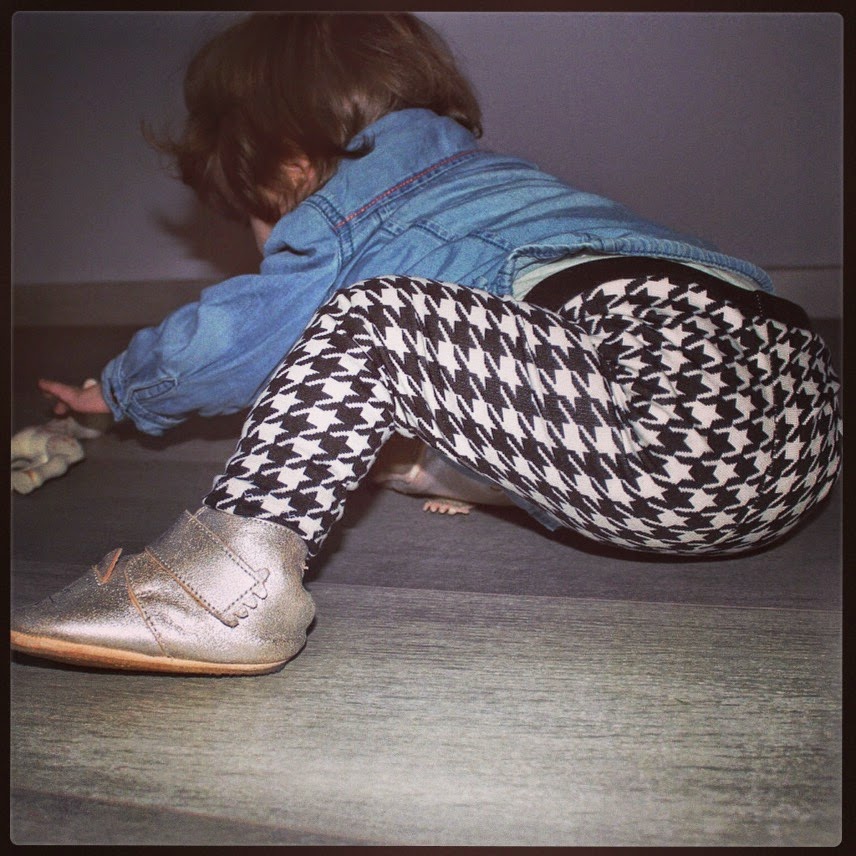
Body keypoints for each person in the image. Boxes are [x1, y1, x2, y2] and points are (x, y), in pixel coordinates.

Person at [12, 12, 841, 676]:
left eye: (253, 219)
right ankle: (479, 472)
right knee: (462, 360)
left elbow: (232, 338)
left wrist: (117, 388)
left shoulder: (350, 208)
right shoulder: (501, 183)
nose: (263, 243)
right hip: (793, 435)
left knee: (370, 320)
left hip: (669, 398)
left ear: (289, 165)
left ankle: (226, 588)